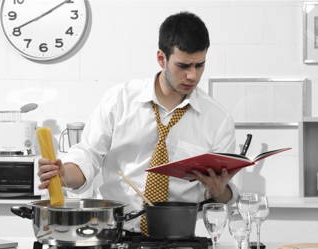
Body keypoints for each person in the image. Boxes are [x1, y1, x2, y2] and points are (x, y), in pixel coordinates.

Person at [38, 11, 240, 231]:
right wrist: (64, 174)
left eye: (199, 65)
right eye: (183, 66)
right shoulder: (119, 100)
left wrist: (220, 191)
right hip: (115, 232)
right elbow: (89, 154)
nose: (192, 75)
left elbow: (225, 199)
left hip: (183, 236)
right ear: (161, 58)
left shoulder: (218, 119)